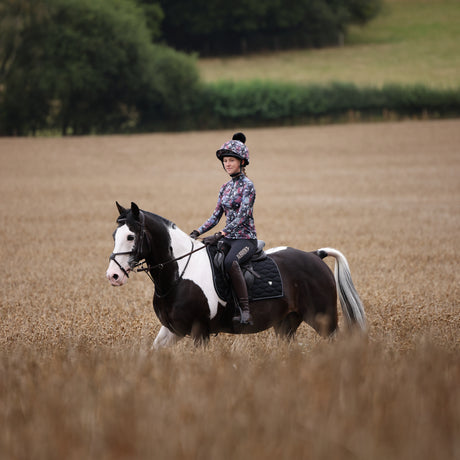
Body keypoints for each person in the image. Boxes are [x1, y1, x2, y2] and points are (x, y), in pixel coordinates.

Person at [190, 132, 257, 325]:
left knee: (230, 262)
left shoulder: (248, 186)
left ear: (242, 162)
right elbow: (216, 216)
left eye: (231, 160)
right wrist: (198, 231)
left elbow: (243, 216)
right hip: (227, 237)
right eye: (225, 161)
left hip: (245, 238)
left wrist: (220, 234)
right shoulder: (225, 187)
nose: (227, 164)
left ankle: (245, 311)